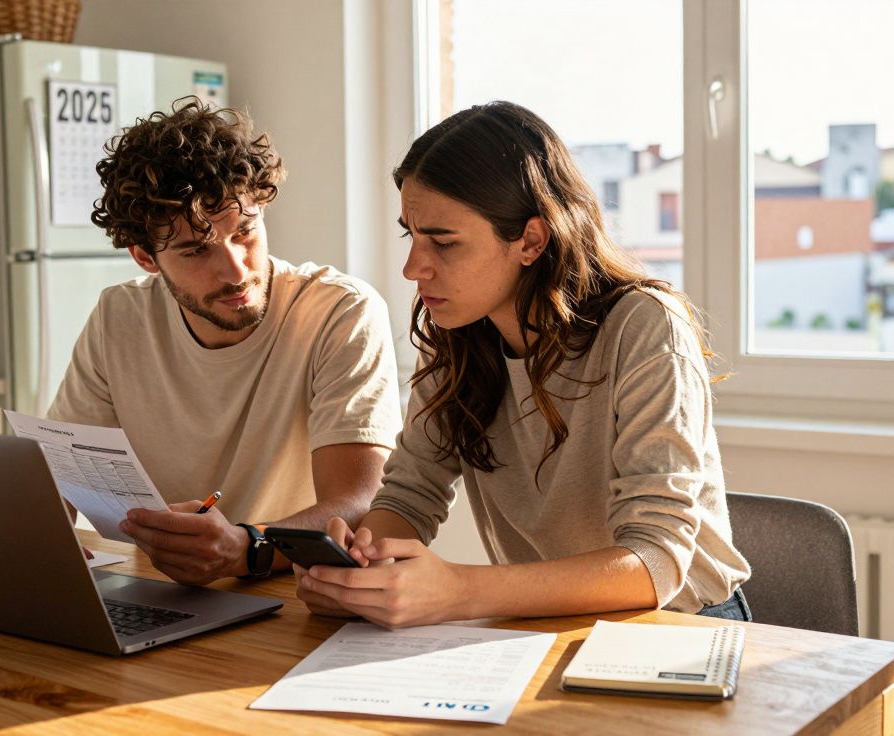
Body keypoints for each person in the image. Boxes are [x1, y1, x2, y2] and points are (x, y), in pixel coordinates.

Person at [296, 101, 752, 627]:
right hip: (540, 623)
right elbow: (410, 492)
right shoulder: (456, 333)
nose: (412, 268)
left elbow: (657, 560)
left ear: (530, 240)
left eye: (443, 242)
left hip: (683, 625)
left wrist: (458, 591)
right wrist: (360, 568)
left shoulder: (645, 326)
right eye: (411, 235)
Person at [48, 98, 402, 586]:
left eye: (245, 232)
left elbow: (360, 503)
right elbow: (60, 477)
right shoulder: (119, 317)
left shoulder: (340, 312)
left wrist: (247, 547)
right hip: (167, 590)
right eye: (196, 250)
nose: (236, 270)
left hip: (300, 591)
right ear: (146, 258)